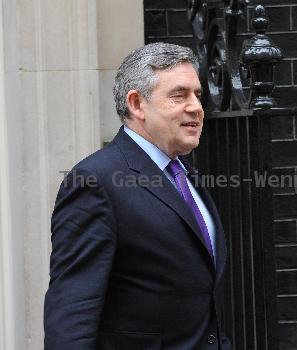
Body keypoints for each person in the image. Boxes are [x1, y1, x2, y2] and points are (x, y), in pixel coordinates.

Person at [44, 42, 232, 350]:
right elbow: (73, 308)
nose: (196, 107)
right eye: (179, 95)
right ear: (137, 104)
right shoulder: (95, 181)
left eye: (197, 95)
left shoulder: (184, 174)